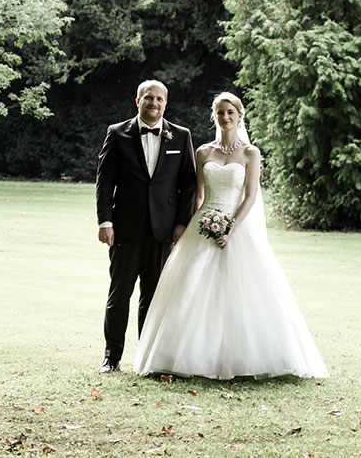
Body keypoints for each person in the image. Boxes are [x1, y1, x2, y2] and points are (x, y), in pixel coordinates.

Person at [134, 91, 327, 380]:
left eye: (230, 112)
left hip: (238, 227)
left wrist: (230, 228)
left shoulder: (251, 153)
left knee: (242, 293)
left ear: (240, 116)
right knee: (189, 289)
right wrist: (194, 227)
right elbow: (197, 195)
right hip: (204, 224)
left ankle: (246, 360)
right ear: (215, 116)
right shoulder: (203, 152)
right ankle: (181, 358)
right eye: (220, 112)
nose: (225, 117)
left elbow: (250, 197)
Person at [95, 79, 197, 373]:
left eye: (160, 99)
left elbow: (188, 185)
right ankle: (111, 358)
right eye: (148, 98)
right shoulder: (117, 134)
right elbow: (105, 184)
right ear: (137, 101)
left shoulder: (181, 135)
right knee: (119, 295)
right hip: (124, 230)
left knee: (153, 299)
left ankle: (147, 359)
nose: (154, 103)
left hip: (163, 231)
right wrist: (105, 221)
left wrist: (181, 224)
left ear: (166, 103)